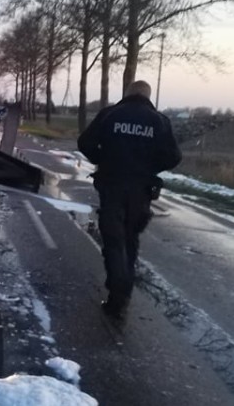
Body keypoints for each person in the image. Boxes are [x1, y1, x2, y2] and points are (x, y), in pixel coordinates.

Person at [78, 80, 181, 318]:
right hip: (141, 189)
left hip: (112, 185)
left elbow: (85, 142)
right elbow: (174, 156)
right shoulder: (160, 121)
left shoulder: (109, 115)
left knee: (113, 240)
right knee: (130, 238)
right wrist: (150, 168)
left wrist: (102, 159)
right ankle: (124, 291)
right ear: (148, 96)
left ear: (127, 93)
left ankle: (117, 293)